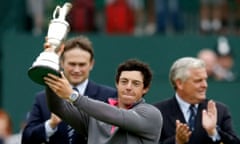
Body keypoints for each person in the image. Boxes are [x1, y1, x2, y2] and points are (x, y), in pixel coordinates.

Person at [22, 35, 117, 144]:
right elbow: (26, 139)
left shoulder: (108, 96)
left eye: (82, 65)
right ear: (62, 63)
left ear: (91, 64)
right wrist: (51, 124)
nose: (76, 70)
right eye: (72, 64)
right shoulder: (42, 99)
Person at [44, 58, 163, 144]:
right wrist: (52, 71)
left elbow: (118, 116)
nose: (128, 87)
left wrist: (73, 96)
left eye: (136, 83)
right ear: (117, 84)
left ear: (145, 88)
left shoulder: (151, 114)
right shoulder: (95, 116)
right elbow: (58, 108)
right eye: (124, 81)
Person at [154, 57, 240, 144]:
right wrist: (177, 141)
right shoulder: (157, 112)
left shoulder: (219, 111)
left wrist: (213, 133)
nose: (205, 85)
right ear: (179, 83)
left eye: (205, 80)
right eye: (198, 81)